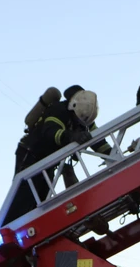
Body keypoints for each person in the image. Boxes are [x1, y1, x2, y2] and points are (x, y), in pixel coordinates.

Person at [6, 89, 113, 226]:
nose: (79, 124)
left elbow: (98, 141)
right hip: (31, 155)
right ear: (73, 107)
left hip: (48, 161)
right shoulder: (59, 110)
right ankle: (9, 226)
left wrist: (112, 154)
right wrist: (71, 137)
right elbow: (51, 132)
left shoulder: (84, 117)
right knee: (23, 194)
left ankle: (28, 225)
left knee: (41, 199)